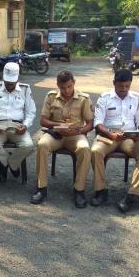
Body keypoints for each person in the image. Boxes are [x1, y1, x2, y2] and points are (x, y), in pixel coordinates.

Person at [91, 69, 139, 212]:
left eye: (127, 86)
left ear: (130, 84)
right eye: (120, 86)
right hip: (109, 135)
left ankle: (133, 195)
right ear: (114, 83)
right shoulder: (104, 97)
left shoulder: (137, 98)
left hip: (129, 138)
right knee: (95, 151)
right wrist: (110, 134)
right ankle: (100, 191)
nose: (123, 90)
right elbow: (98, 122)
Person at [30, 70, 93, 207]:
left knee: (85, 148)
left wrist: (78, 130)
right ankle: (41, 188)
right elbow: (43, 121)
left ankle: (79, 190)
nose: (66, 90)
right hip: (56, 135)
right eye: (63, 87)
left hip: (76, 135)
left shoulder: (84, 99)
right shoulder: (51, 96)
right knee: (42, 145)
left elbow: (90, 124)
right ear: (58, 85)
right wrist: (58, 125)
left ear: (74, 83)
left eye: (69, 86)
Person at [0, 62, 36, 182]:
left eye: (12, 83)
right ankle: (9, 164)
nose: (10, 85)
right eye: (7, 82)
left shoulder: (25, 89)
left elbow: (31, 112)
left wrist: (25, 125)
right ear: (3, 77)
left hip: (17, 126)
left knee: (28, 146)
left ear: (17, 79)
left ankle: (9, 163)